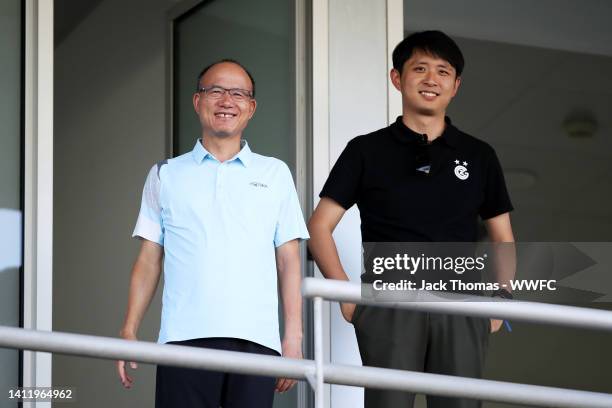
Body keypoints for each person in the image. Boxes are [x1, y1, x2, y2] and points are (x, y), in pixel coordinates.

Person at [307, 31, 515, 408]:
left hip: (463, 301)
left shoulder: (479, 154)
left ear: (456, 85)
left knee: (462, 404)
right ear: (397, 78)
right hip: (388, 299)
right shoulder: (366, 150)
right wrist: (347, 296)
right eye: (419, 69)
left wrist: (501, 300)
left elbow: (502, 236)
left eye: (442, 71)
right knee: (389, 403)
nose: (431, 79)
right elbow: (319, 226)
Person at [116, 59, 309, 408]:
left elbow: (289, 260)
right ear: (197, 101)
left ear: (250, 108)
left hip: (257, 342)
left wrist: (292, 339)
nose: (226, 101)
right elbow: (148, 259)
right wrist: (129, 329)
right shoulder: (165, 174)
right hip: (183, 339)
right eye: (215, 90)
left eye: (238, 93)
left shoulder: (275, 173)